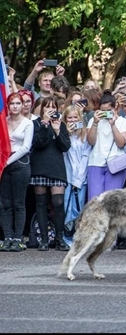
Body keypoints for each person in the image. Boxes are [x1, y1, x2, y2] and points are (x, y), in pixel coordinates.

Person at [29, 96, 72, 251]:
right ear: (42, 109)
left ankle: (60, 238)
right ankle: (44, 240)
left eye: (53, 107)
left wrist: (57, 130)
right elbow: (39, 143)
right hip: (40, 166)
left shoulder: (62, 125)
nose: (50, 110)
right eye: (47, 107)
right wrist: (45, 125)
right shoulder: (35, 124)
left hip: (57, 167)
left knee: (58, 202)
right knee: (40, 203)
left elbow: (65, 146)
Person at [0, 93, 34, 252]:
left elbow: (26, 147)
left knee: (19, 203)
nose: (15, 106)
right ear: (8, 105)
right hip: (3, 163)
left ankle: (18, 238)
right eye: (12, 103)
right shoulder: (3, 121)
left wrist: (7, 162)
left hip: (20, 163)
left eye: (18, 103)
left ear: (22, 106)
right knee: (5, 203)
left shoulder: (28, 123)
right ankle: (7, 237)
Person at [86, 90, 126, 201]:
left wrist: (113, 125)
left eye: (108, 110)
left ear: (115, 107)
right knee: (94, 200)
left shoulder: (123, 122)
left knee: (112, 201)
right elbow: (90, 141)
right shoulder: (93, 120)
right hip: (96, 162)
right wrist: (95, 123)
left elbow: (121, 143)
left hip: (116, 164)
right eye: (102, 111)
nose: (105, 113)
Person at [61, 104, 92, 246]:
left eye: (75, 117)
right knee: (66, 205)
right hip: (66, 176)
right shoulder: (62, 134)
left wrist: (79, 177)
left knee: (78, 207)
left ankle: (78, 238)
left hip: (80, 177)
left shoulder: (84, 135)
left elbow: (86, 156)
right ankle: (66, 237)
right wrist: (65, 133)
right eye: (69, 118)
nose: (73, 121)